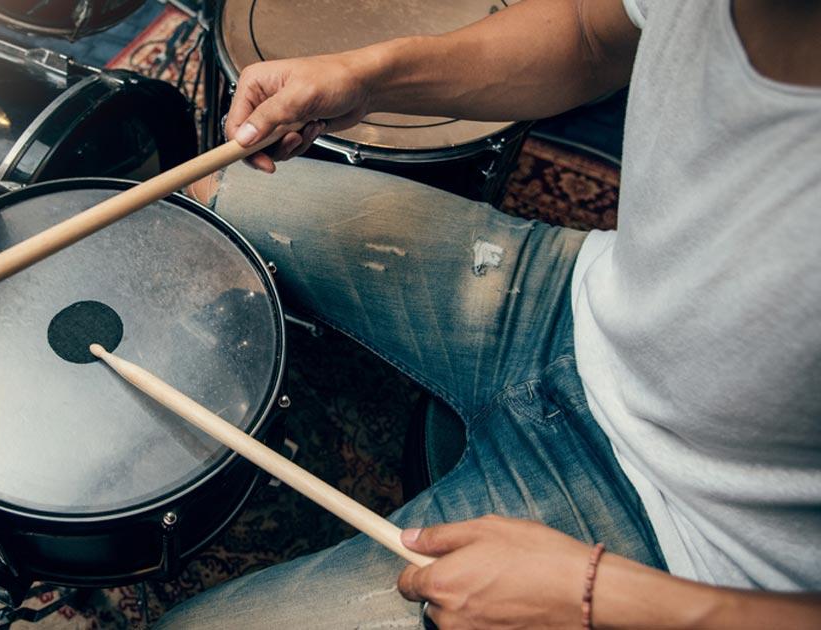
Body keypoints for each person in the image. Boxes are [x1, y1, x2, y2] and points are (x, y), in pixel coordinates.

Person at [160, 0, 821, 627]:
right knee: (203, 194)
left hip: (693, 538)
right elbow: (589, 35)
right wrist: (362, 75)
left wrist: (600, 597)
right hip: (572, 299)